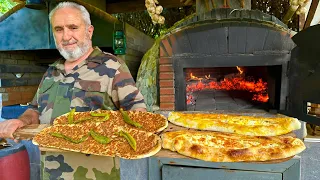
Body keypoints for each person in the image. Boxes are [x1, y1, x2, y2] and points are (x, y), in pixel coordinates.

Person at [0, 2, 146, 139]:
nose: (66, 36)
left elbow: (138, 115)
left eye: (73, 27)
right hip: (49, 164)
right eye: (59, 29)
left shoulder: (113, 67)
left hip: (95, 164)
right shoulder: (51, 71)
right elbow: (35, 110)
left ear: (89, 31)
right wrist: (21, 121)